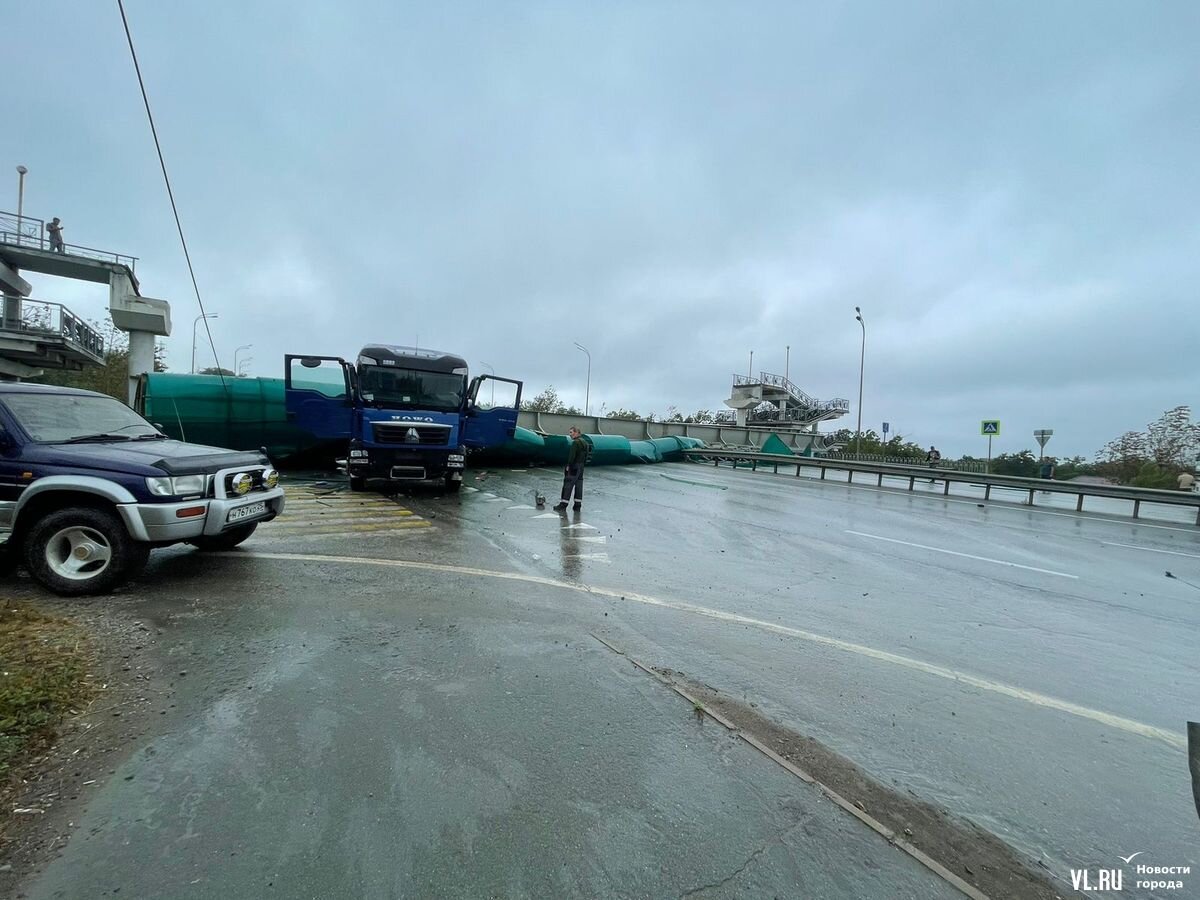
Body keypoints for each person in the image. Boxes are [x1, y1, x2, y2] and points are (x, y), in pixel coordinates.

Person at [554, 426, 588, 511]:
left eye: (571, 432)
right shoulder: (585, 443)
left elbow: (572, 455)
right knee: (579, 485)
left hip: (574, 466)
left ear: (576, 433)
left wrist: (569, 465)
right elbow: (586, 456)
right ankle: (577, 505)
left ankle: (563, 505)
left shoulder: (575, 443)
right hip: (581, 466)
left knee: (568, 484)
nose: (570, 434)